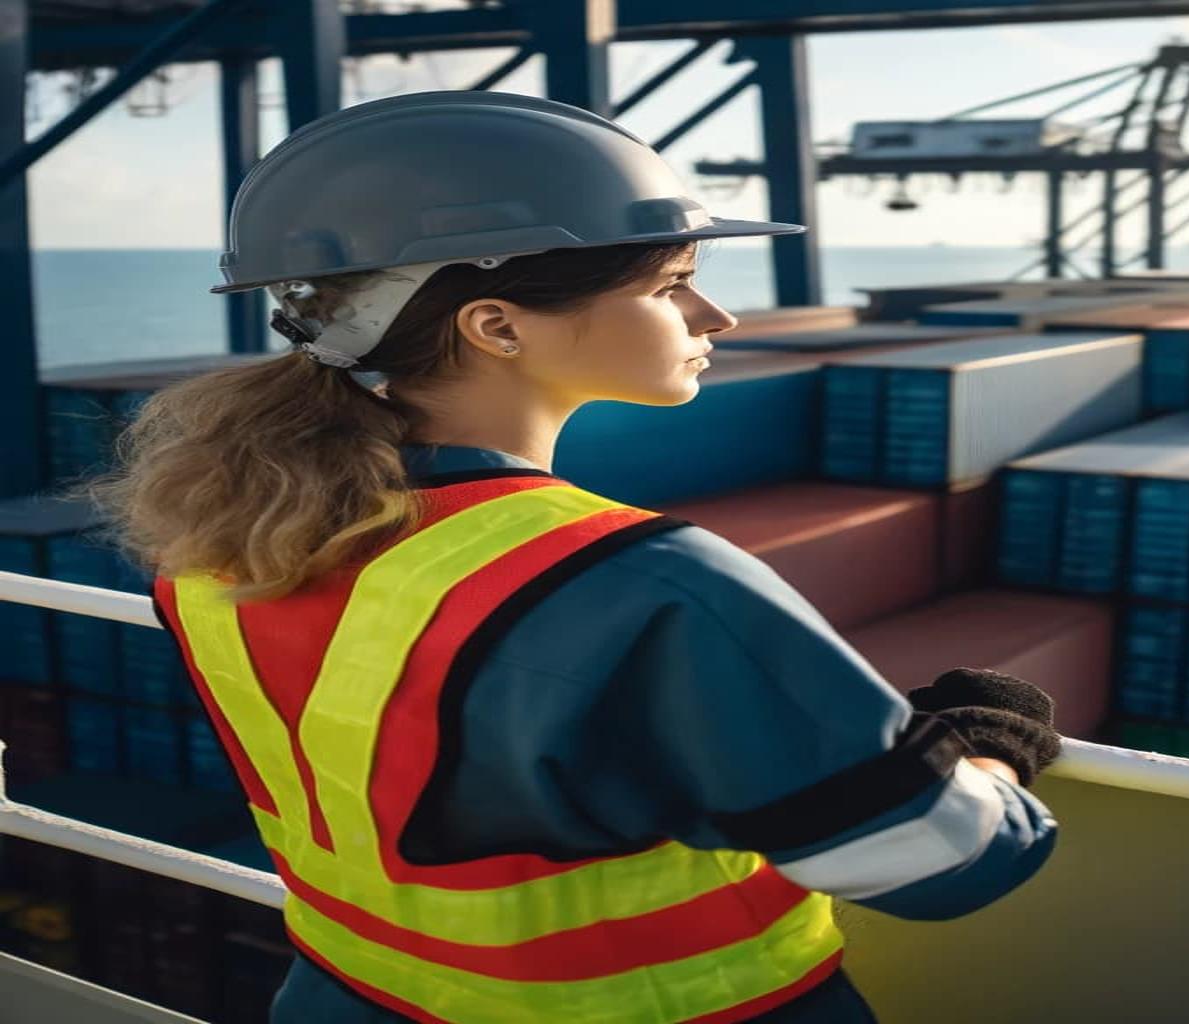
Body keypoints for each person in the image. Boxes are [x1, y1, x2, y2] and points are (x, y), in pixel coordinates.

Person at [93, 91, 1062, 1024]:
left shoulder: (220, 548)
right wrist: (986, 743)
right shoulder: (642, 580)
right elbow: (943, 863)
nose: (714, 317)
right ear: (498, 325)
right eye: (668, 284)